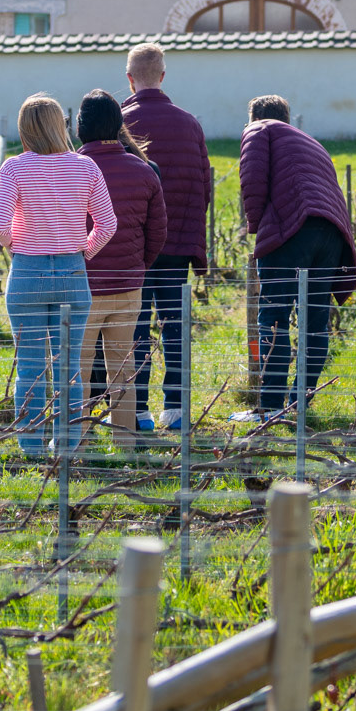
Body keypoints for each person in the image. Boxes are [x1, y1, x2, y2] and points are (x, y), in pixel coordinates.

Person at [0, 94, 116, 460]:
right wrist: (83, 252)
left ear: (25, 129)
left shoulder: (14, 168)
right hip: (73, 272)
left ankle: (30, 446)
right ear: (60, 125)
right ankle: (67, 444)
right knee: (70, 366)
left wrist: (18, 247)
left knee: (29, 366)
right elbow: (107, 224)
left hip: (27, 272)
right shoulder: (86, 167)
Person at [239, 95, 356, 419]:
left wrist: (256, 229)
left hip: (292, 226)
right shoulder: (310, 141)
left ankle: (269, 407)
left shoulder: (259, 129)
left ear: (254, 116)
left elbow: (252, 180)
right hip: (332, 231)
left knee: (274, 318)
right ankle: (299, 403)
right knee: (315, 323)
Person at [121, 42, 211, 433]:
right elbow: (203, 186)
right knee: (175, 324)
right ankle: (175, 408)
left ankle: (136, 409)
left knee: (135, 325)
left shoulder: (118, 122)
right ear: (162, 76)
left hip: (133, 246)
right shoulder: (189, 123)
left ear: (129, 78)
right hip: (175, 241)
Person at [75, 90, 167, 446]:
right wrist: (138, 267)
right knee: (123, 365)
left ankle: (79, 437)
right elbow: (158, 231)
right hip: (128, 285)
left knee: (78, 368)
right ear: (119, 125)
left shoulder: (74, 167)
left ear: (81, 127)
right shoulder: (143, 170)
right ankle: (125, 440)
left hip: (83, 284)